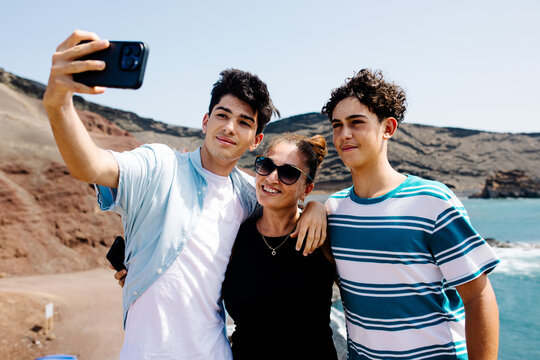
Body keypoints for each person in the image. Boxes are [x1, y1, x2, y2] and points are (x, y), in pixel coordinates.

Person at [43, 30, 327, 360]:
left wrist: (317, 207)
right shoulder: (159, 164)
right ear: (206, 121)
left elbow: (284, 209)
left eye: (243, 122)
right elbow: (90, 165)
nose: (229, 127)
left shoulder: (251, 195)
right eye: (222, 115)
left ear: (255, 139)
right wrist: (58, 103)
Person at [322, 69, 500, 360]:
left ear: (388, 128)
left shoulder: (432, 201)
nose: (344, 135)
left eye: (357, 123)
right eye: (337, 125)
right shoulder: (334, 209)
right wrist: (315, 209)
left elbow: (478, 297)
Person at [222, 133, 338, 360]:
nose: (272, 177)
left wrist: (318, 208)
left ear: (306, 189)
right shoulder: (235, 235)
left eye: (288, 173)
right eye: (266, 165)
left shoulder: (322, 237)